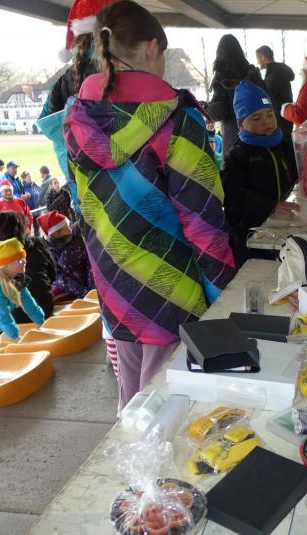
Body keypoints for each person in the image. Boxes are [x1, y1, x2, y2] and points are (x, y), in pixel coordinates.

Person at [64, 0, 236, 406]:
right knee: (167, 408)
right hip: (172, 291)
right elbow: (203, 223)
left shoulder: (77, 117)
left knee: (133, 403)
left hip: (113, 283)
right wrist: (224, 300)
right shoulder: (178, 119)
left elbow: (83, 206)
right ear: (152, 47)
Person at [222, 81, 299, 266]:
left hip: (281, 228)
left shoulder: (285, 147)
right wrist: (271, 206)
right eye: (256, 118)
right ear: (241, 125)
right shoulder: (238, 155)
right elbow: (231, 195)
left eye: (270, 114)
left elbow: (299, 175)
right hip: (250, 237)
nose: (266, 121)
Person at [0, 211, 56, 322]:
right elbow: (52, 274)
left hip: (12, 317)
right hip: (45, 307)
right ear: (21, 228)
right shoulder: (37, 244)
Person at [207, 34, 266, 158]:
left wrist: (207, 107)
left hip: (234, 135)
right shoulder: (253, 74)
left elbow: (219, 112)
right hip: (259, 131)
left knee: (235, 167)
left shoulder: (221, 76)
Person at [38, 210, 94, 299]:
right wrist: (81, 291)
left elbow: (90, 266)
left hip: (86, 287)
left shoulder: (78, 242)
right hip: (66, 289)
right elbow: (58, 277)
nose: (70, 230)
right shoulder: (47, 251)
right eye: (66, 228)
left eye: (69, 226)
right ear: (56, 234)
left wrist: (90, 291)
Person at [255, 45, 295, 140]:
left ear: (263, 57)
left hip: (280, 121)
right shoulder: (276, 71)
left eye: (258, 58)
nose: (257, 62)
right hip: (283, 119)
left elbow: (267, 97)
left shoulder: (275, 74)